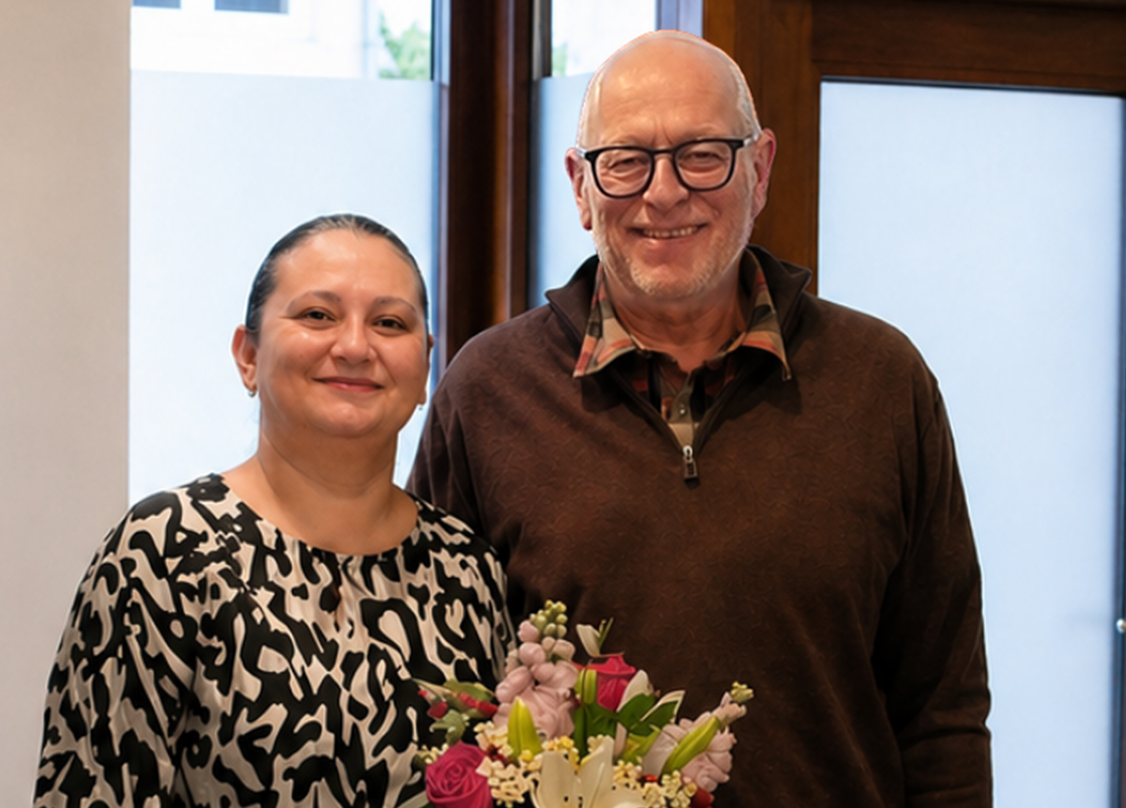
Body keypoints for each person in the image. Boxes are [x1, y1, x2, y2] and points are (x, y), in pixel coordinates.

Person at [412, 30, 991, 808]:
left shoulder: (882, 382)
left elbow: (942, 703)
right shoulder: (487, 391)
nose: (664, 193)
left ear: (761, 170)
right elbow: (442, 690)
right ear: (581, 187)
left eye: (703, 154)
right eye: (626, 160)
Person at [35, 214, 511, 807]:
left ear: (424, 370)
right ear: (248, 355)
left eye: (389, 323)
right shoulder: (164, 552)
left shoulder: (466, 568)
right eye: (318, 315)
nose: (356, 346)